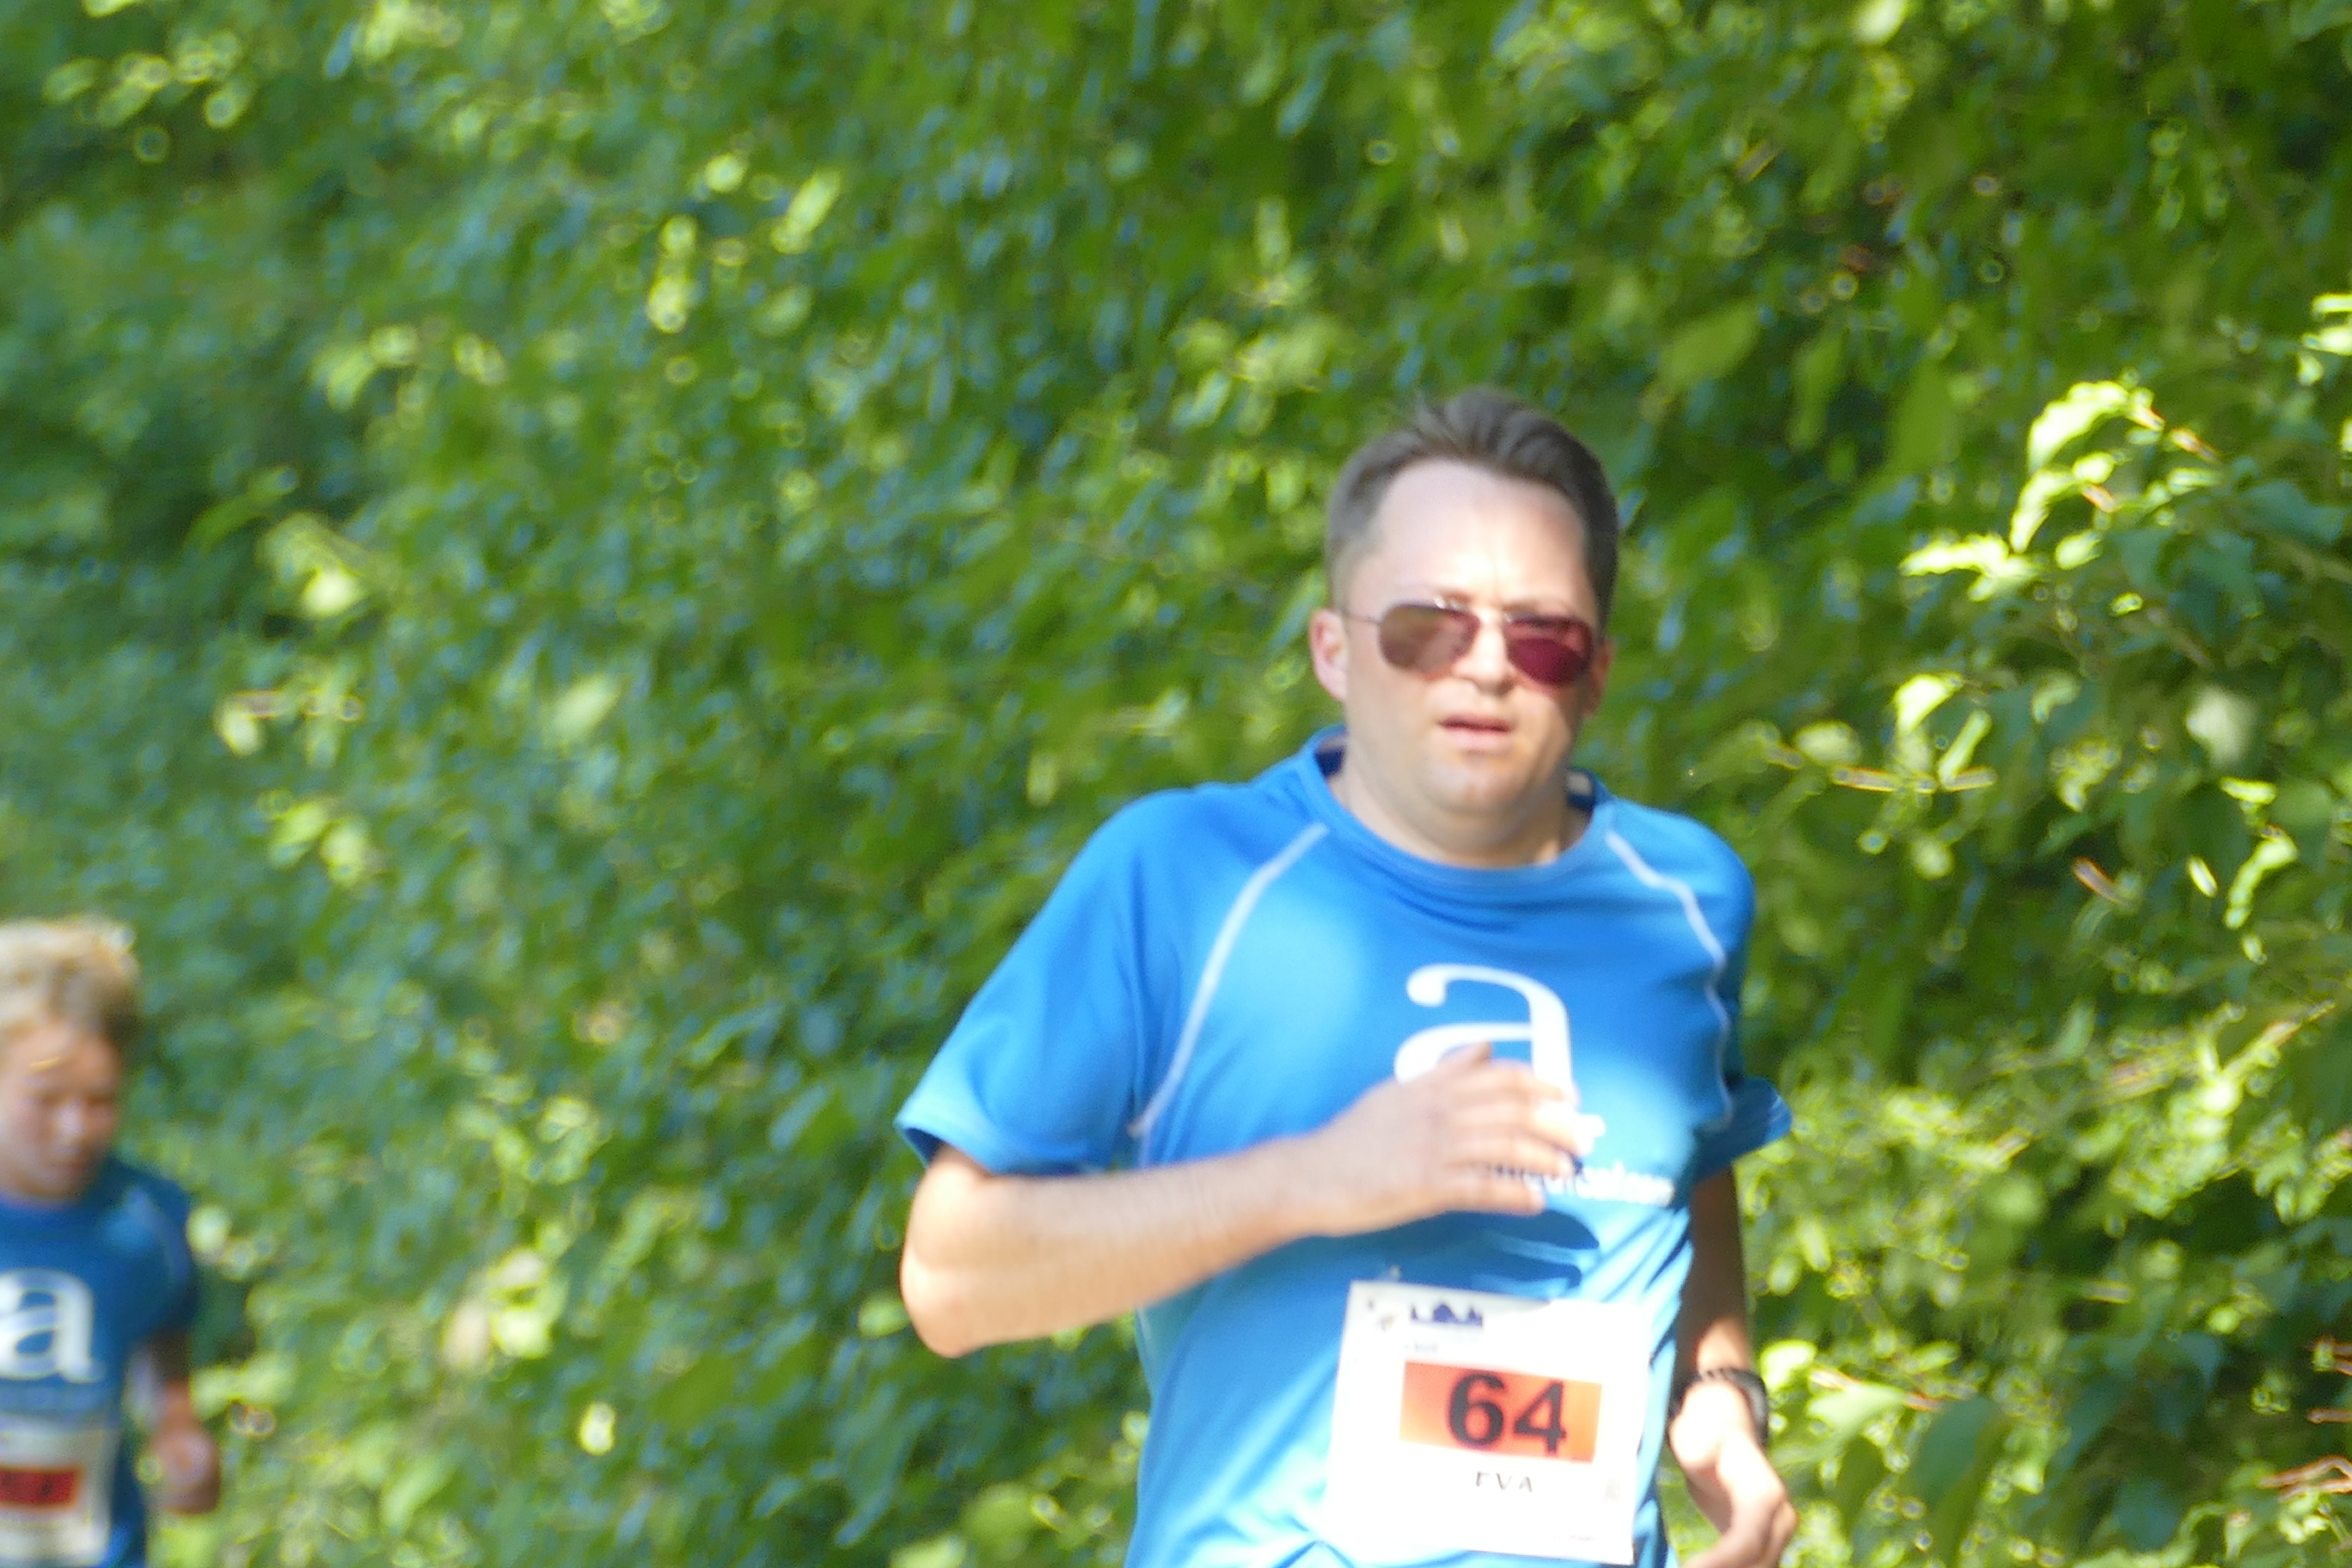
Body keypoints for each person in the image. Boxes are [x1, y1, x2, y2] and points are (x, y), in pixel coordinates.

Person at [897, 389, 1797, 1568]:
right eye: (1427, 626)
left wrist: (1721, 1396)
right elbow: (952, 1276)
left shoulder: (1683, 902)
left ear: (1596, 673)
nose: (1487, 668)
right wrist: (1316, 1177)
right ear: (1333, 649)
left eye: (1542, 637)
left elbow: (1693, 1174)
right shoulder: (1188, 878)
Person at [0, 920, 219, 1568]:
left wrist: (177, 1430)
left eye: (100, 1101)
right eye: (45, 1100)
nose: (75, 1129)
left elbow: (160, 1331)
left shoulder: (146, 1221)